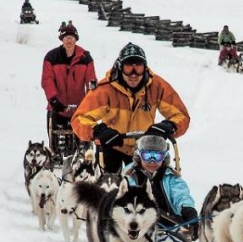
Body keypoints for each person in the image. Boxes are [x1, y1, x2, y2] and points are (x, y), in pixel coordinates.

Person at [71, 42, 191, 174]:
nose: (133, 74)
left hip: (144, 148)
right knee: (108, 188)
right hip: (112, 145)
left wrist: (169, 126)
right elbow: (79, 118)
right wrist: (97, 131)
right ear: (120, 67)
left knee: (150, 187)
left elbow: (181, 116)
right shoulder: (106, 89)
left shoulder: (157, 86)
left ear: (145, 68)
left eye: (138, 68)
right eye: (128, 68)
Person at [124, 132, 198, 240]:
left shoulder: (171, 178)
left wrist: (188, 211)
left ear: (164, 157)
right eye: (147, 156)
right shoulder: (129, 177)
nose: (152, 161)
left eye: (158, 156)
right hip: (138, 230)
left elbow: (181, 195)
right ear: (139, 156)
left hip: (171, 227)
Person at [42, 23, 97, 159]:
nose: (69, 40)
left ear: (76, 39)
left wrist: (91, 98)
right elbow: (47, 80)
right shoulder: (51, 57)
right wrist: (53, 99)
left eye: (72, 37)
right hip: (58, 106)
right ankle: (57, 156)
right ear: (62, 39)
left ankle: (80, 156)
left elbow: (91, 80)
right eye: (66, 37)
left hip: (79, 107)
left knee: (81, 136)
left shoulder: (85, 58)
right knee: (55, 137)